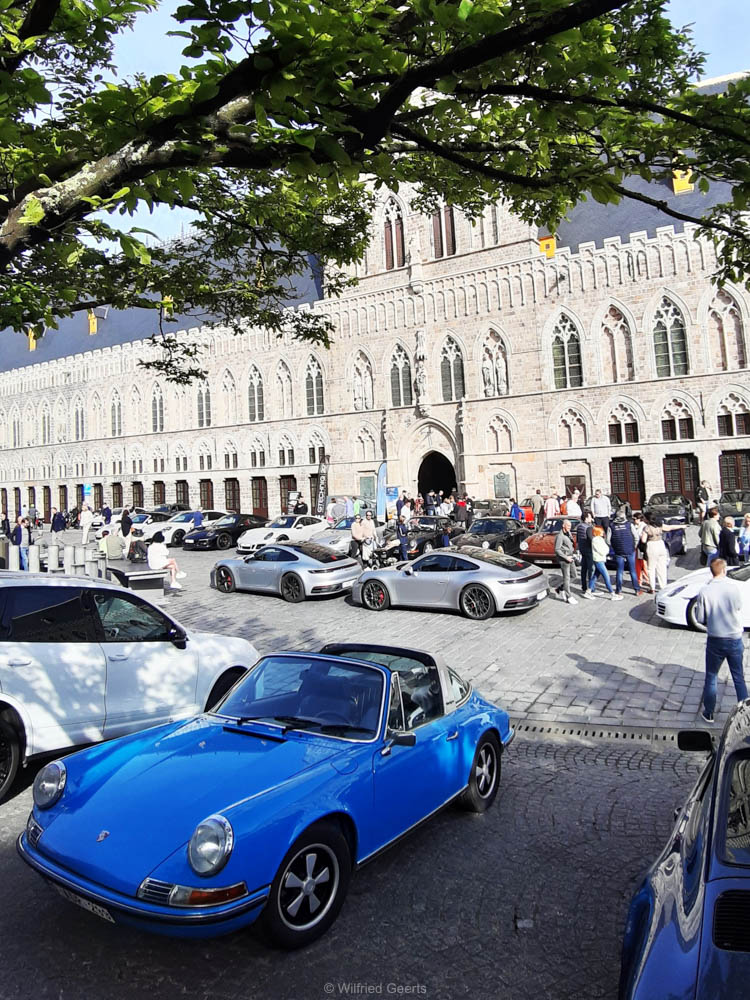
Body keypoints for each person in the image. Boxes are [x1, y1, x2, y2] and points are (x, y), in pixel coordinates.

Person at [694, 558, 748, 723]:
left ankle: (709, 712)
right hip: (734, 638)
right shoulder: (733, 588)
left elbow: (700, 617)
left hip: (716, 639)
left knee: (711, 676)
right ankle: (745, 715)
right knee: (738, 677)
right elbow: (738, 607)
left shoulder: (704, 591)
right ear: (724, 570)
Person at [640, 515, 680, 594]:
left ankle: (652, 588)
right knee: (662, 568)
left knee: (651, 568)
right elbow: (670, 527)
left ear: (647, 520)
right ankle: (663, 586)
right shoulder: (659, 525)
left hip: (651, 545)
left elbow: (643, 540)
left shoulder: (647, 528)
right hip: (661, 545)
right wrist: (682, 526)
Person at [585, 526, 621, 600]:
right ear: (598, 532)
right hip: (598, 560)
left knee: (595, 576)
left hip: (600, 559)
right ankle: (612, 594)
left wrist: (605, 550)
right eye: (601, 531)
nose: (603, 532)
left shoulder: (600, 539)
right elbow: (602, 550)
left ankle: (588, 591)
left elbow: (606, 548)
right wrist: (605, 550)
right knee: (606, 576)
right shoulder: (595, 540)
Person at [611, 511, 641, 596]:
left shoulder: (612, 526)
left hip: (618, 551)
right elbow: (636, 537)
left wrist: (614, 547)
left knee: (619, 571)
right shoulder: (629, 524)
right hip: (630, 550)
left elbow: (608, 540)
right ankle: (637, 590)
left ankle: (618, 590)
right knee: (632, 570)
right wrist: (634, 546)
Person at [554, 519, 578, 604]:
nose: (569, 528)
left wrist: (573, 553)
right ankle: (569, 596)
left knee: (574, 575)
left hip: (570, 557)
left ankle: (560, 588)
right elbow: (557, 549)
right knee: (566, 577)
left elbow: (570, 544)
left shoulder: (569, 533)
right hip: (564, 559)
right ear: (563, 525)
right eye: (568, 526)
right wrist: (566, 557)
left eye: (570, 526)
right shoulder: (560, 536)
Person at [576, 512, 594, 594]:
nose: (591, 518)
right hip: (589, 550)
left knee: (584, 569)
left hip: (582, 549)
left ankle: (584, 586)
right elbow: (591, 539)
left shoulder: (579, 526)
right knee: (591, 569)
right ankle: (591, 588)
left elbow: (577, 539)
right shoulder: (588, 527)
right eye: (590, 517)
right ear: (586, 518)